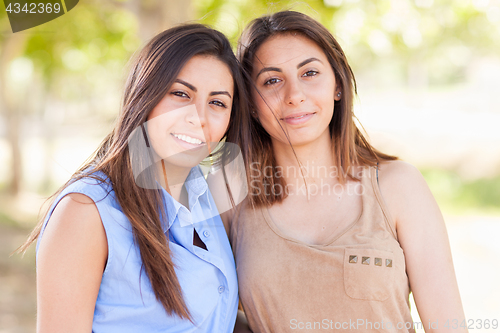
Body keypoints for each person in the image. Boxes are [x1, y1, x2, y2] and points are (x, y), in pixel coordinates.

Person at [215, 10, 467, 332]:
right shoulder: (228, 193)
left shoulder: (398, 186)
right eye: (272, 80)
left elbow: (449, 326)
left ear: (337, 84)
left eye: (309, 73)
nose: (294, 96)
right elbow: (201, 309)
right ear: (251, 102)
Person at [18, 23, 252, 332]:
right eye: (181, 94)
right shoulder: (86, 212)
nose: (199, 117)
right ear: (145, 95)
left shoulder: (209, 198)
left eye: (217, 103)